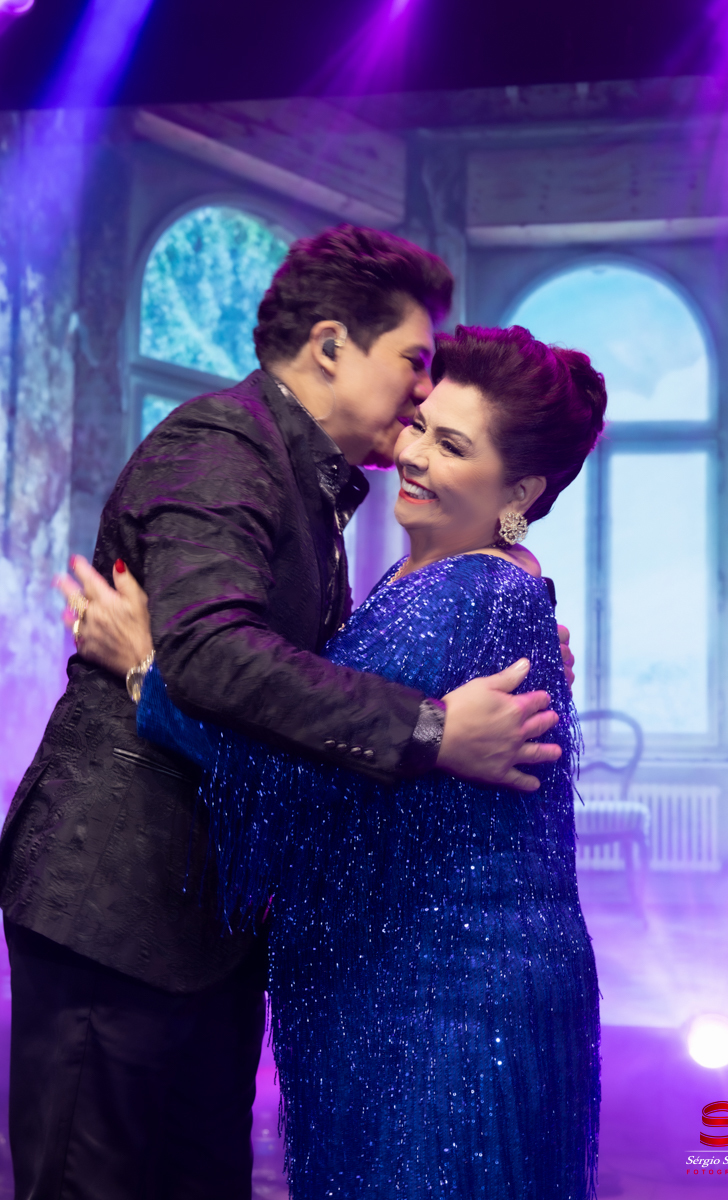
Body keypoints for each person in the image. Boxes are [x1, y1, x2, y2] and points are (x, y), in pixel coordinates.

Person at [0, 227, 566, 1200]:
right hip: (120, 909)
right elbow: (216, 656)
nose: (423, 391)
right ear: (332, 346)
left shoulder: (314, 490)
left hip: (206, 931)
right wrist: (432, 728)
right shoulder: (223, 448)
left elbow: (280, 693)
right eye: (414, 361)